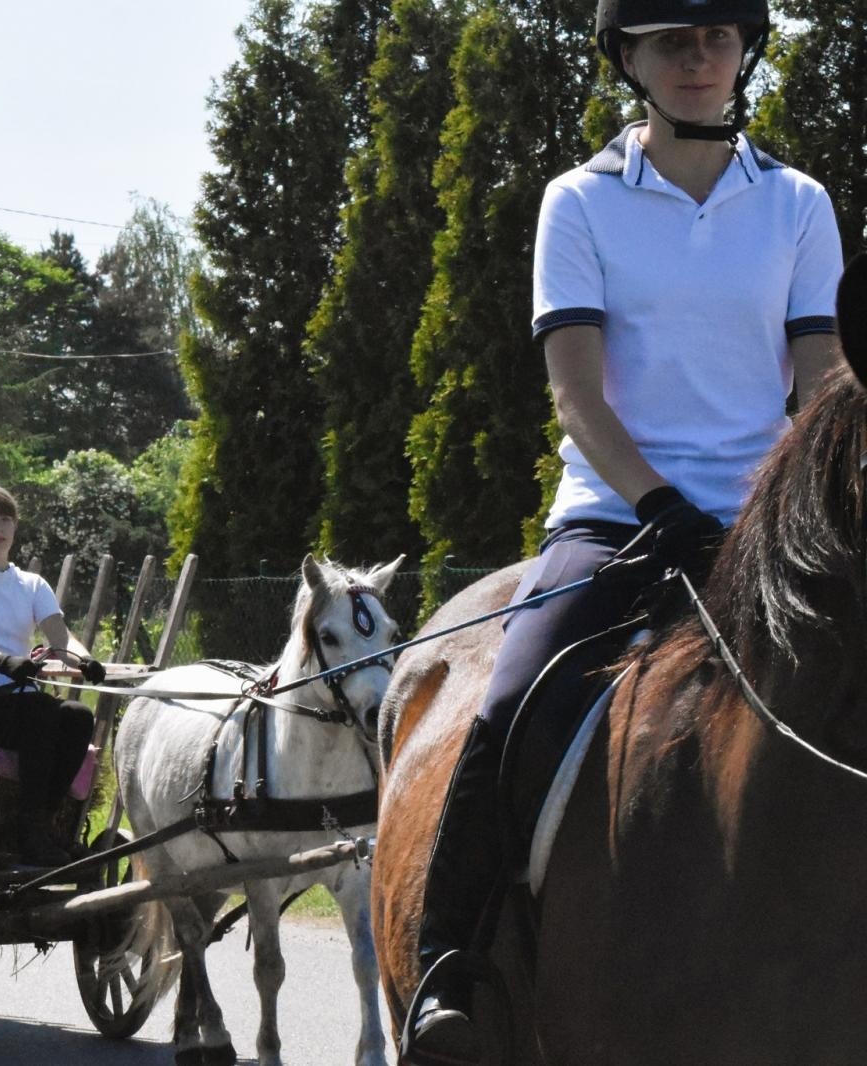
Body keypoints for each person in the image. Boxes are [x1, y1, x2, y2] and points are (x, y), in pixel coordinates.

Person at [401, 0, 844, 1061]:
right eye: (670, 40)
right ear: (628, 58)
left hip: (766, 532)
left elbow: (824, 381)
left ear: (744, 50)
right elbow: (577, 397)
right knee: (512, 700)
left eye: (717, 37)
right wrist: (661, 507)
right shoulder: (581, 201)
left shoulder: (797, 203)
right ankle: (451, 966)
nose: (698, 57)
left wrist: (807, 503)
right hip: (617, 520)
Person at [0, 482, 106, 866]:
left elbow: (61, 637)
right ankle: (31, 830)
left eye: (5, 518)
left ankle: (43, 821)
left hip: (21, 699)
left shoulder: (32, 584)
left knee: (78, 716)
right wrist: (3, 662)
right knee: (41, 712)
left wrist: (85, 661)